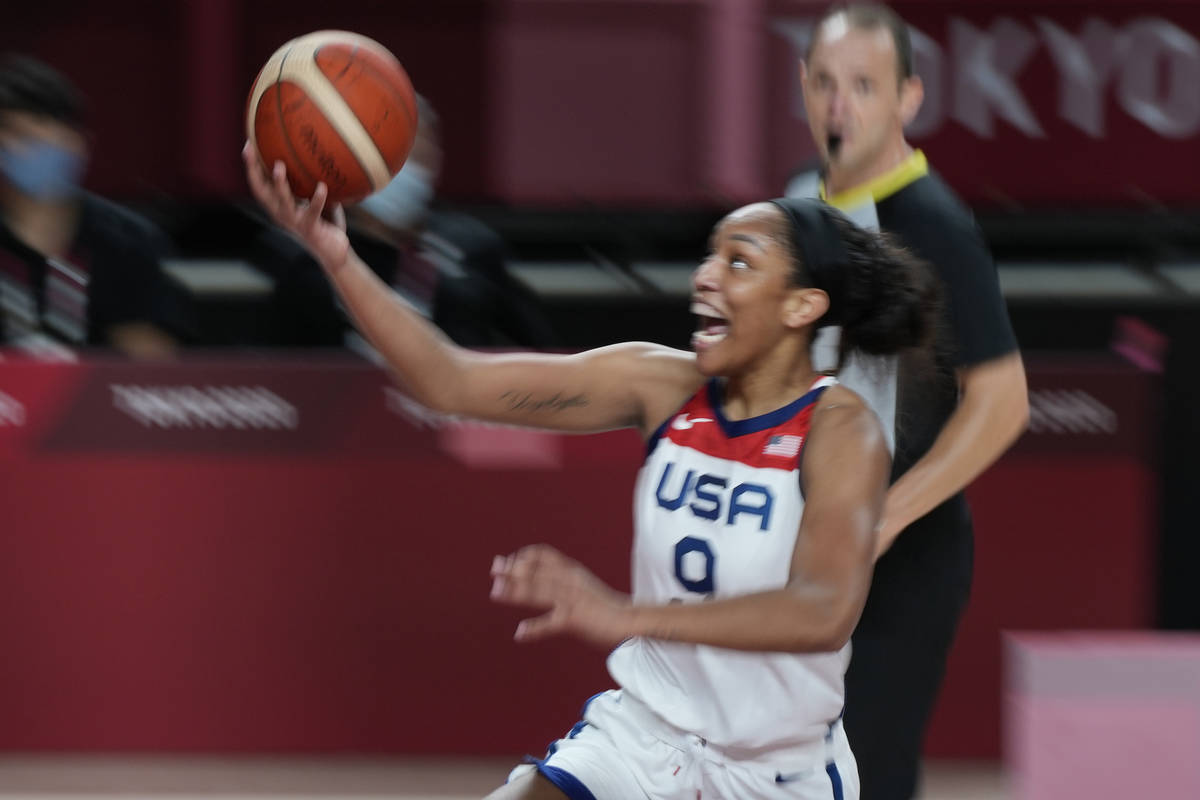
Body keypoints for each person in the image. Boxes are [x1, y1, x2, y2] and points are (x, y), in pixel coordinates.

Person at [245, 141, 939, 799]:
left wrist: (621, 613)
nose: (704, 275)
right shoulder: (659, 384)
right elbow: (448, 382)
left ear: (801, 306)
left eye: (739, 262)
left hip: (774, 772)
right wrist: (337, 257)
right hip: (644, 736)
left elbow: (822, 610)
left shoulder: (840, 428)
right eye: (709, 256)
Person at [786, 4, 1030, 797]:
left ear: (908, 99)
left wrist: (888, 517)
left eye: (863, 85)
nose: (838, 105)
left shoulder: (936, 226)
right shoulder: (794, 210)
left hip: (902, 569)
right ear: (801, 87)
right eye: (824, 82)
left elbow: (1002, 402)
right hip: (797, 548)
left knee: (864, 779)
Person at [253, 95, 556, 351]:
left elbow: (545, 353)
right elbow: (280, 372)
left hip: (457, 415)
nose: (405, 170)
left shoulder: (473, 248)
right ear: (352, 159)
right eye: (391, 155)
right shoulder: (311, 256)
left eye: (418, 155)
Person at [0, 54, 185, 357]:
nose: (31, 152)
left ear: (79, 144)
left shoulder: (129, 243)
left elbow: (154, 367)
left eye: (44, 140)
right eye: (19, 136)